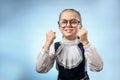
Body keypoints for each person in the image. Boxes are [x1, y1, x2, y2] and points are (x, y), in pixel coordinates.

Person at [36, 9, 103, 80]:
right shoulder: (55, 46)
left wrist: (86, 42)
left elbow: (98, 67)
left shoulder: (85, 46)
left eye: (73, 22)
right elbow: (40, 69)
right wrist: (47, 43)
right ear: (59, 26)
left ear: (80, 25)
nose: (68, 25)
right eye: (64, 22)